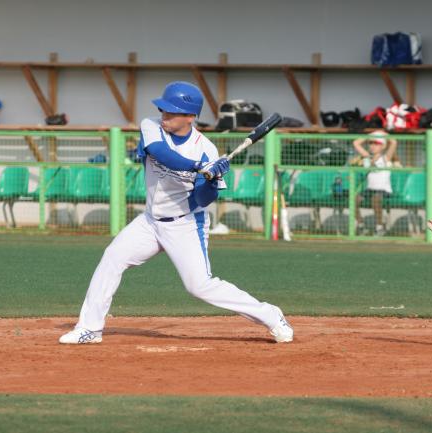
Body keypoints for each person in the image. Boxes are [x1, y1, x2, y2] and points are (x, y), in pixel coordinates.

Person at [59, 81, 293, 344]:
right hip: (150, 221)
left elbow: (203, 199)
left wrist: (213, 179)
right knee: (112, 258)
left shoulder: (207, 150)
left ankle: (271, 316)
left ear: (191, 116)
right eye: (164, 109)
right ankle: (90, 328)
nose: (164, 115)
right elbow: (162, 154)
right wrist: (198, 167)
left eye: (172, 112)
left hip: (185, 224)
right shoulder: (151, 126)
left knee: (199, 286)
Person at [352, 131, 399, 236]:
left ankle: (379, 227)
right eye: (371, 143)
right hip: (370, 189)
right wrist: (371, 135)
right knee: (353, 199)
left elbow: (394, 142)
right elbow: (356, 143)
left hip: (384, 190)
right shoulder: (367, 157)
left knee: (376, 198)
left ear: (383, 146)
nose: (372, 146)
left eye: (376, 143)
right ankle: (361, 225)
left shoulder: (385, 158)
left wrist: (382, 133)